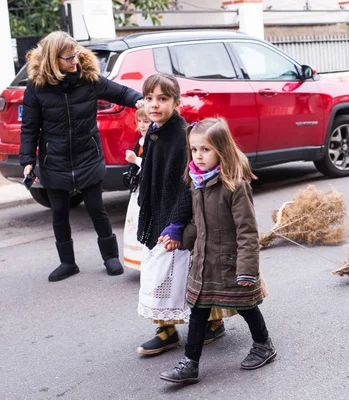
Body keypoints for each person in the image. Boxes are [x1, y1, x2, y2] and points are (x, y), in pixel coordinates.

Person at [19, 31, 143, 282]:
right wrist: (27, 161)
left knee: (97, 209)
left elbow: (119, 93)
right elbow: (30, 126)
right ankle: (67, 263)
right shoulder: (37, 86)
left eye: (76, 55)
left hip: (87, 154)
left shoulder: (88, 78)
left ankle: (110, 258)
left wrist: (139, 100)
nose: (74, 61)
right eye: (68, 58)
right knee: (59, 213)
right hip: (54, 158)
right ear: (54, 60)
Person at [160, 118, 276, 384]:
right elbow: (198, 223)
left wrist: (246, 269)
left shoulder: (235, 186)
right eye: (194, 149)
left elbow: (247, 231)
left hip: (231, 262)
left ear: (221, 150)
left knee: (247, 305)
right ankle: (190, 363)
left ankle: (263, 345)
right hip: (203, 260)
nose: (198, 156)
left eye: (205, 149)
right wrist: (180, 238)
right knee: (198, 310)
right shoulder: (196, 182)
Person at [135, 74, 230, 356]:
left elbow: (186, 183)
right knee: (179, 272)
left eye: (162, 99)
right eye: (149, 98)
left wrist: (176, 223)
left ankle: (170, 330)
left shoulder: (181, 135)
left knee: (170, 274)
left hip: (177, 216)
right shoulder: (155, 130)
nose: (154, 104)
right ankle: (206, 324)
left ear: (176, 102)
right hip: (158, 210)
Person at [123, 107, 151, 271]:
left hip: (147, 189)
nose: (141, 125)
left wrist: (136, 161)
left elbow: (153, 166)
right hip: (139, 187)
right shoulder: (140, 141)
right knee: (134, 220)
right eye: (139, 121)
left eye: (145, 121)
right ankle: (137, 260)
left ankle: (146, 260)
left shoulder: (152, 142)